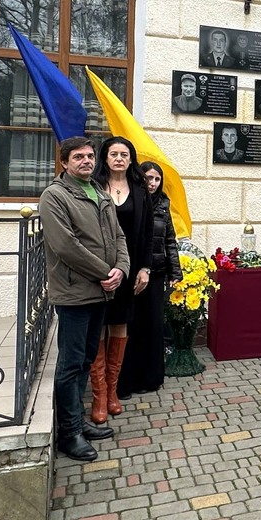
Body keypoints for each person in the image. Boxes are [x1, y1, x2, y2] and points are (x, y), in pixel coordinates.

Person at [38, 136, 127, 461]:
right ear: (64, 162)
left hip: (100, 292)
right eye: (78, 157)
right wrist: (105, 271)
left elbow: (118, 235)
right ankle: (69, 433)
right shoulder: (55, 196)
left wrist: (121, 268)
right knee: (71, 363)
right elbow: (66, 245)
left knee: (87, 359)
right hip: (75, 292)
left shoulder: (99, 192)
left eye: (90, 156)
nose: (87, 161)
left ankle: (78, 423)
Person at [91, 137, 153, 422]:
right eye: (113, 153)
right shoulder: (93, 186)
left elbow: (148, 233)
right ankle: (99, 396)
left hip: (129, 270)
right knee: (98, 326)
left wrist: (145, 268)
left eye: (124, 154)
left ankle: (113, 392)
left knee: (119, 324)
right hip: (97, 269)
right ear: (105, 158)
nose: (119, 158)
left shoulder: (140, 190)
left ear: (131, 159)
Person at [120, 161, 183, 395]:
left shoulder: (163, 204)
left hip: (156, 273)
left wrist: (175, 272)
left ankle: (150, 378)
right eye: (148, 178)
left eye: (157, 179)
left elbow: (170, 240)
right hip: (132, 273)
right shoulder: (131, 201)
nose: (153, 183)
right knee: (131, 325)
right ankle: (127, 379)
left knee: (153, 326)